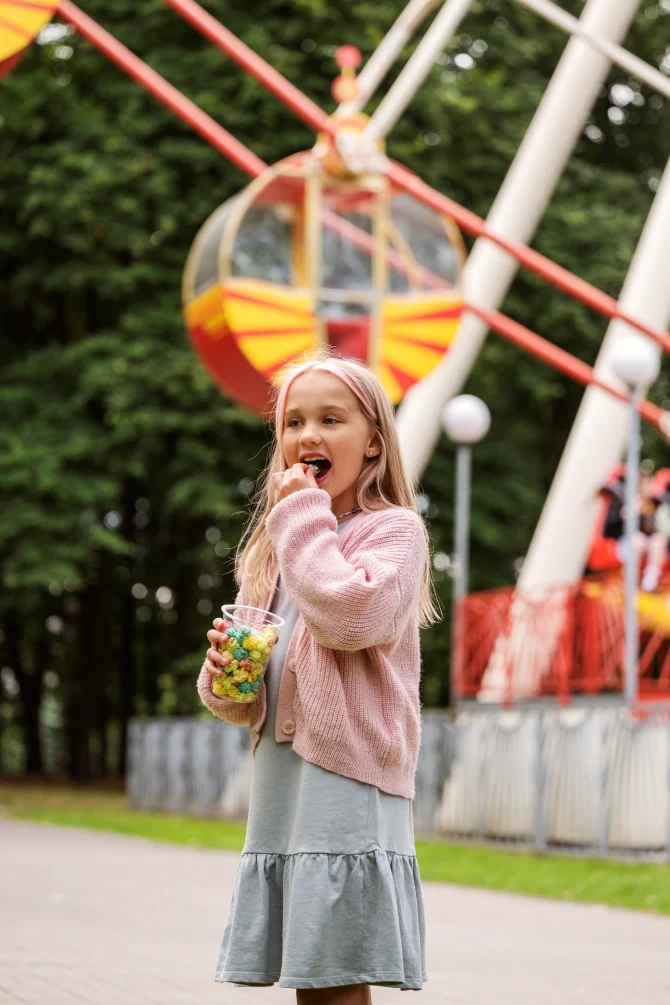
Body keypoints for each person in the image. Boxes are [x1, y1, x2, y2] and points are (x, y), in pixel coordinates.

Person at [197, 348, 440, 1002]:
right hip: (285, 770)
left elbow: (349, 618)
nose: (308, 435)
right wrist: (226, 676)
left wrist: (300, 517)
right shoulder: (276, 547)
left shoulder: (394, 531)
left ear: (373, 442)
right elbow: (243, 696)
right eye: (293, 422)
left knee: (336, 972)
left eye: (331, 420)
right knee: (310, 971)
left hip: (348, 768)